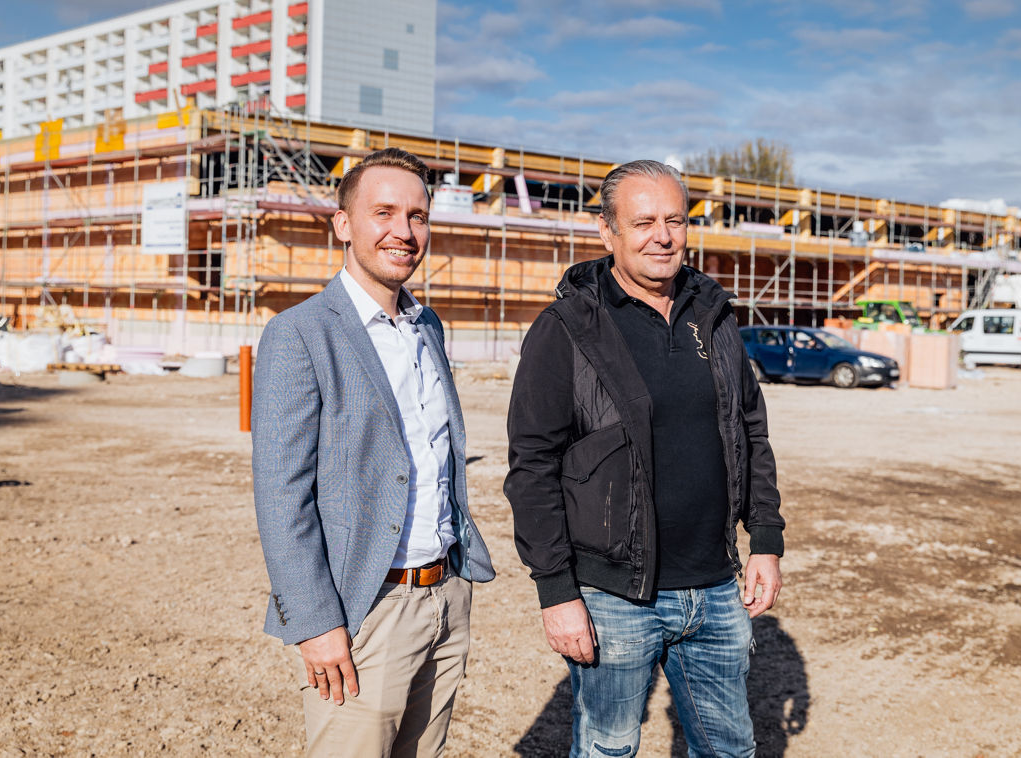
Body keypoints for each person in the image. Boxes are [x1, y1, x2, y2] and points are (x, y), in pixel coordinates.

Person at [504, 159, 784, 757]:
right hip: (614, 595)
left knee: (730, 749)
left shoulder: (714, 315)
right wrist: (557, 591)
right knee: (607, 749)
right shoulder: (567, 328)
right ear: (608, 233)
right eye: (644, 222)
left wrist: (765, 538)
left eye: (675, 221)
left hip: (714, 586)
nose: (663, 235)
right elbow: (532, 467)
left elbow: (750, 431)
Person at [252, 147, 494, 757]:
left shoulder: (427, 327)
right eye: (383, 212)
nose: (403, 231)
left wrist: (455, 587)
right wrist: (317, 624)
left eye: (417, 215)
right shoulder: (299, 334)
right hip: (364, 610)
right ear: (343, 224)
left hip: (445, 597)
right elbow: (282, 495)